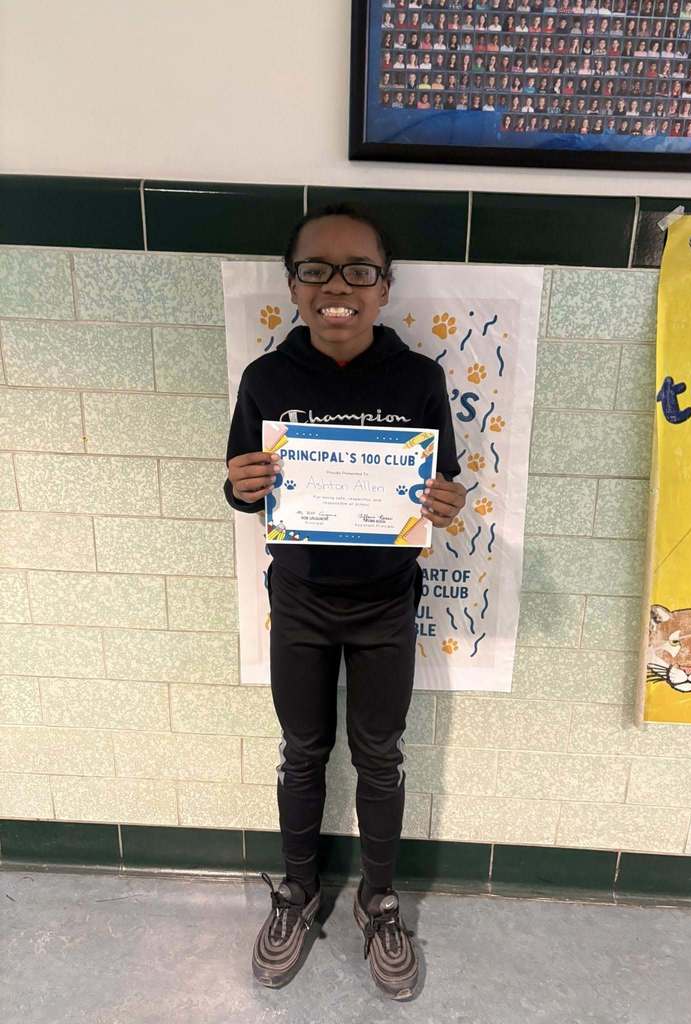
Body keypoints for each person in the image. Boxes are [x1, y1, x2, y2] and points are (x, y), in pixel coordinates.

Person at [224, 205, 465, 1000]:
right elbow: (243, 487)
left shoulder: (418, 378)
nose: (338, 287)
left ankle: (380, 900)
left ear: (384, 287)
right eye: (316, 270)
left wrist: (443, 503)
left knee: (381, 755)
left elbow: (444, 487)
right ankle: (299, 891)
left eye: (359, 270)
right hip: (298, 598)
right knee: (302, 751)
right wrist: (240, 484)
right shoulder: (267, 379)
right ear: (291, 285)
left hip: (386, 602)